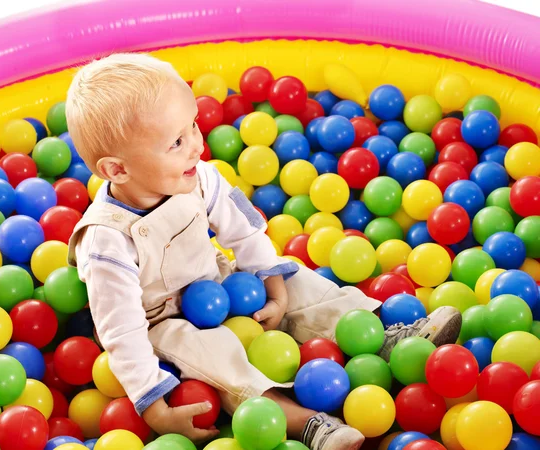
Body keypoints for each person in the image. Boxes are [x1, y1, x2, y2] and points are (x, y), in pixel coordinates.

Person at [65, 53, 462, 450]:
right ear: (117, 170)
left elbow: (244, 230)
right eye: (176, 142)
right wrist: (153, 403)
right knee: (218, 356)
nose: (196, 147)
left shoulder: (198, 175)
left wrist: (272, 283)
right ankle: (307, 423)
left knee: (299, 278)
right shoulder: (107, 241)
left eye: (193, 127)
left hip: (218, 282)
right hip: (160, 321)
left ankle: (381, 337)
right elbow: (123, 331)